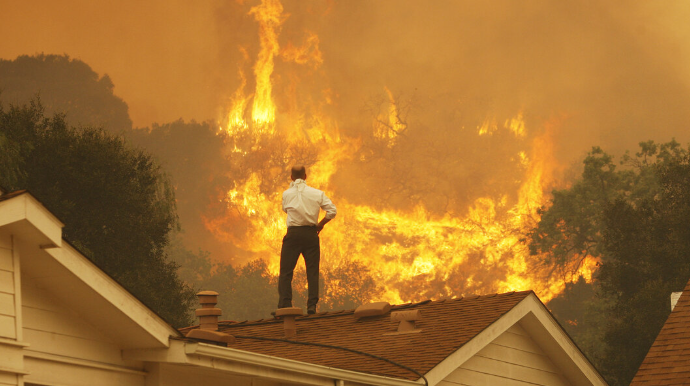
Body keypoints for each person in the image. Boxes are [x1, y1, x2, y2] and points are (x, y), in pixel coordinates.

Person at [278, 165, 337, 314]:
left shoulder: (286, 194)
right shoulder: (317, 193)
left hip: (293, 234)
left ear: (291, 177)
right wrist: (320, 225)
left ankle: (285, 305)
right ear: (306, 176)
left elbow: (286, 209)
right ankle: (311, 306)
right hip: (311, 234)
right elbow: (332, 211)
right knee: (312, 272)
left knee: (286, 272)